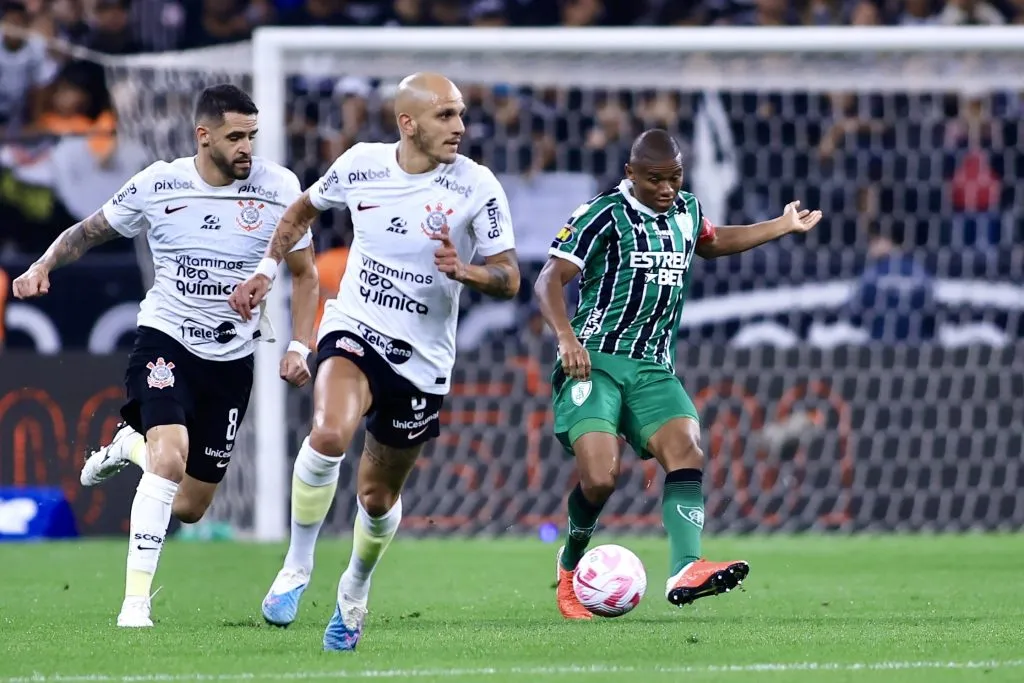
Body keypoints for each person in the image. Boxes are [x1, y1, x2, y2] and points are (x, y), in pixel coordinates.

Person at [228, 72, 520, 651]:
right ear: (407, 123)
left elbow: (509, 277)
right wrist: (266, 268)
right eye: (444, 115)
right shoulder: (361, 163)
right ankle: (296, 567)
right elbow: (299, 212)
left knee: (376, 498)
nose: (459, 126)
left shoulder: (476, 186)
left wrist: (468, 272)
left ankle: (353, 592)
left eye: (460, 114)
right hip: (355, 325)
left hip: (422, 360)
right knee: (329, 433)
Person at [12, 84, 319, 628]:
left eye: (253, 135)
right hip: (166, 338)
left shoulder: (280, 188)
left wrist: (300, 345)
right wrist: (40, 267)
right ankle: (134, 605)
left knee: (190, 505)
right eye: (235, 137)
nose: (248, 146)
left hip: (231, 357)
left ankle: (128, 444)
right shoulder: (160, 183)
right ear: (204, 136)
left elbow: (305, 274)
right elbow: (89, 231)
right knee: (170, 457)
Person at [533, 129, 823, 620]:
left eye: (674, 177)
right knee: (600, 479)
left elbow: (710, 241)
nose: (666, 189)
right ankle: (568, 569)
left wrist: (779, 225)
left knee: (687, 448)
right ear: (630, 175)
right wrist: (566, 337)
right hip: (595, 360)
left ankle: (685, 567)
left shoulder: (686, 209)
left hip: (652, 367)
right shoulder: (601, 215)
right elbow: (548, 279)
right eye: (655, 180)